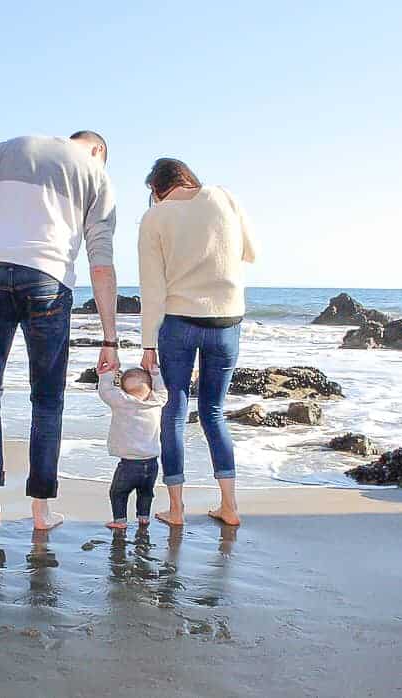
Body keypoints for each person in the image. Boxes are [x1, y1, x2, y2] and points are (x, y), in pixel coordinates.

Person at [0, 132, 119, 530]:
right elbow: (100, 262)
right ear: (97, 151)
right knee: (46, 399)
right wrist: (109, 337)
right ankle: (40, 511)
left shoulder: (12, 147)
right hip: (49, 279)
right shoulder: (95, 173)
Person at [138, 158, 257, 527]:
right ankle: (229, 506)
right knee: (214, 411)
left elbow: (152, 288)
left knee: (174, 410)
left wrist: (147, 344)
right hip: (226, 320)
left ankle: (176, 510)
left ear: (157, 188)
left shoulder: (155, 217)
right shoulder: (224, 197)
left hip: (179, 321)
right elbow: (250, 252)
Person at [97, 367, 168, 529]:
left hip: (128, 465)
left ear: (123, 390)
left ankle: (119, 521)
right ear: (150, 388)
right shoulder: (156, 402)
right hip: (152, 465)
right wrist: (156, 373)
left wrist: (106, 373)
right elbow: (163, 390)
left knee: (118, 493)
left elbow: (105, 391)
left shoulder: (122, 402)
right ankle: (143, 517)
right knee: (146, 493)